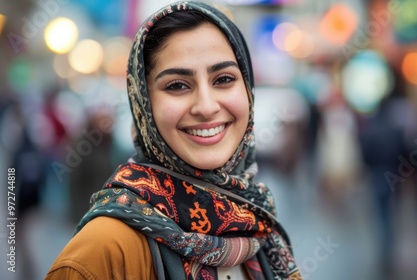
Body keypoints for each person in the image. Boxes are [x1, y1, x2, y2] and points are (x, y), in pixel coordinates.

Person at [45, 1, 302, 279]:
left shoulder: (260, 223)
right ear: (144, 104)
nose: (206, 106)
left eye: (224, 79)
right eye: (177, 85)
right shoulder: (101, 254)